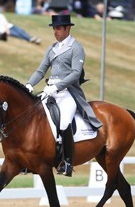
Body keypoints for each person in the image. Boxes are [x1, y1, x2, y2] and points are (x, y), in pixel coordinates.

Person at [25, 15, 103, 177]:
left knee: (64, 121)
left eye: (59, 28)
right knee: (34, 117)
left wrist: (57, 86)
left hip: (68, 93)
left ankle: (67, 161)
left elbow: (75, 74)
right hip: (50, 91)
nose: (55, 31)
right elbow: (41, 70)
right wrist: (29, 84)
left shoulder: (76, 48)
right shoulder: (52, 48)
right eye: (54, 28)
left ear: (68, 28)